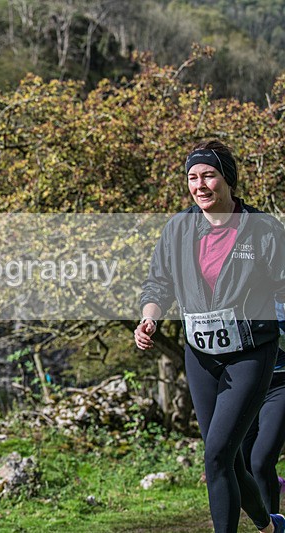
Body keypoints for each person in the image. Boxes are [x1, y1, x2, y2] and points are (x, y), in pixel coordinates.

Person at [135, 139, 285, 533]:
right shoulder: (178, 228)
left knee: (217, 455)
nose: (199, 184)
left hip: (251, 352)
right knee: (228, 459)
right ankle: (270, 527)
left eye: (209, 175)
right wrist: (149, 319)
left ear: (228, 179)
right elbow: (158, 284)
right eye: (192, 177)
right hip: (200, 355)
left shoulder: (263, 229)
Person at [242, 301, 285, 514]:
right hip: (250, 382)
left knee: (261, 460)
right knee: (241, 460)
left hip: (281, 384)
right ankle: (272, 484)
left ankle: (274, 525)